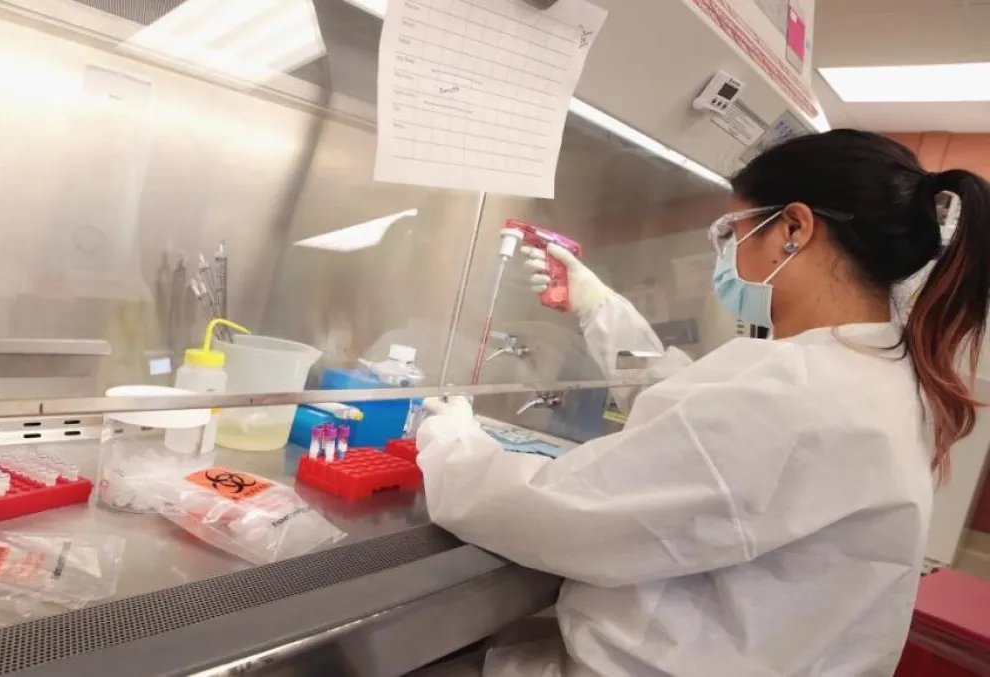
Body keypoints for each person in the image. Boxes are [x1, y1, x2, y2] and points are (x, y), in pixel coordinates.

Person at [416, 130, 990, 677]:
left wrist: (451, 443)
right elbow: (695, 415)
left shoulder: (794, 390)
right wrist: (598, 306)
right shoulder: (880, 370)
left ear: (793, 228)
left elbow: (553, 515)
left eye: (731, 232)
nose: (725, 253)